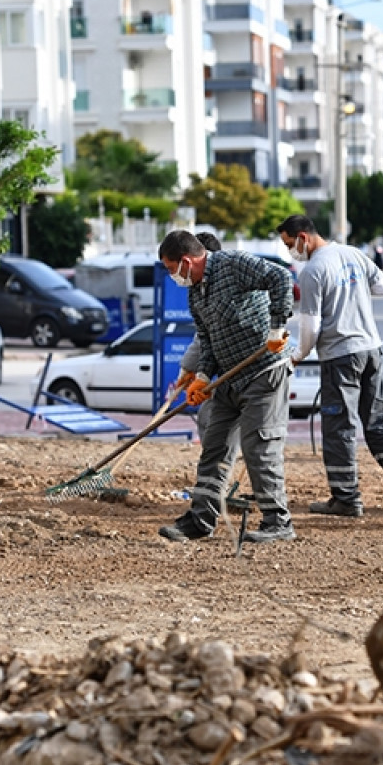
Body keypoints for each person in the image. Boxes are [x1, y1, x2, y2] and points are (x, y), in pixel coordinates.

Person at [157, 231, 297, 544]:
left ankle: (278, 522)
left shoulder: (232, 264)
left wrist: (277, 327)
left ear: (187, 261)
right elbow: (207, 339)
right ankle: (200, 520)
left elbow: (281, 279)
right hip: (229, 378)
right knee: (214, 448)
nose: (171, 276)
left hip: (264, 371)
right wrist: (203, 378)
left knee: (259, 446)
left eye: (171, 268)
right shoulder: (195, 294)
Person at [277, 215, 383, 515]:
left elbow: (311, 327)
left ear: (303, 237)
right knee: (378, 420)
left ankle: (346, 497)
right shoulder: (353, 254)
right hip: (371, 350)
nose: (291, 251)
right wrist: (353, 295)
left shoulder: (312, 271)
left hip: (340, 356)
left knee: (339, 425)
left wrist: (296, 356)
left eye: (290, 244)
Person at [170, 232, 239, 474]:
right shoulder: (199, 290)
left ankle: (222, 481)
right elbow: (203, 337)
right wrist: (192, 371)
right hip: (217, 372)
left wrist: (191, 368)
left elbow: (204, 338)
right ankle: (214, 486)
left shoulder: (227, 282)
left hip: (239, 374)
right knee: (211, 424)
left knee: (223, 431)